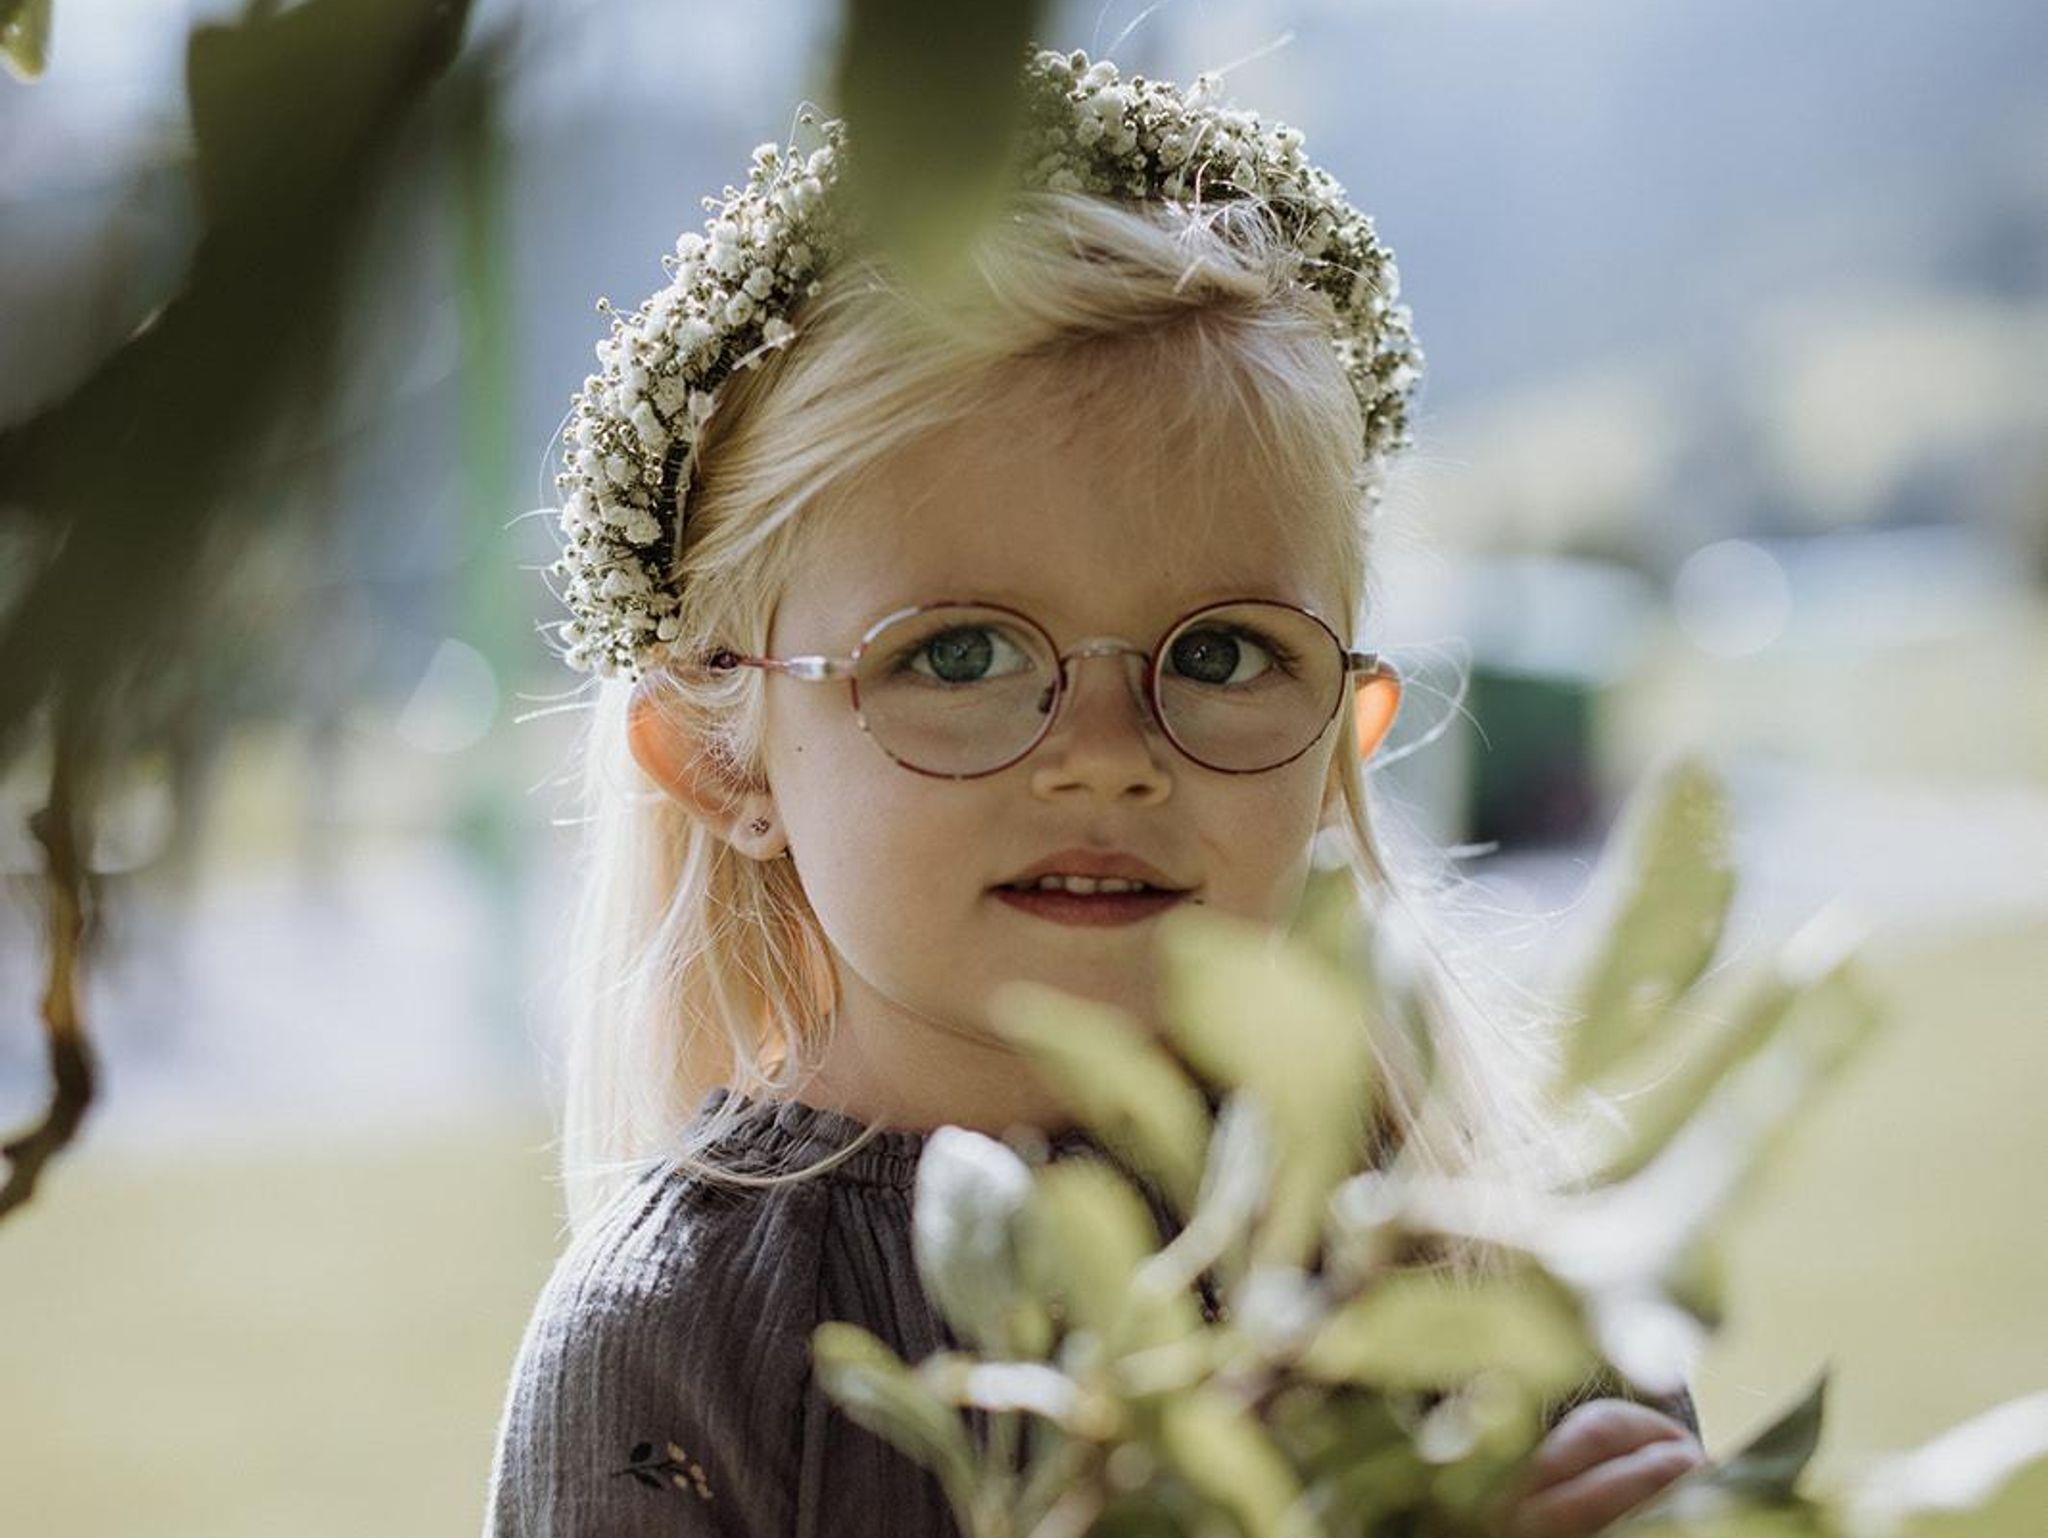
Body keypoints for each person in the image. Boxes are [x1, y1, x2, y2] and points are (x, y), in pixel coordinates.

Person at [483, 44, 1706, 1538]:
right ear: (720, 754)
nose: (1110, 751)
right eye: (960, 652)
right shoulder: (667, 1349)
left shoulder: (1486, 1259)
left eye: (1222, 653)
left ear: (1339, 742)